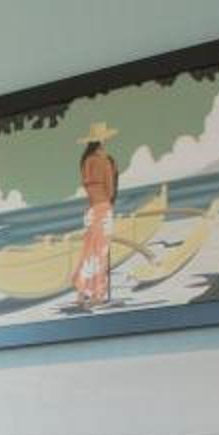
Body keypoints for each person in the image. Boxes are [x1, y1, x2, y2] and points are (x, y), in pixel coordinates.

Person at [72, 125, 119, 307]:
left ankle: (81, 292)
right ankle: (97, 294)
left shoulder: (86, 161)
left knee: (88, 251)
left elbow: (88, 186)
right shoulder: (104, 161)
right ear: (102, 140)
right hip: (102, 208)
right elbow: (110, 190)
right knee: (100, 253)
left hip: (90, 210)